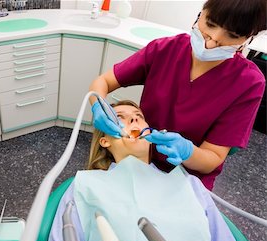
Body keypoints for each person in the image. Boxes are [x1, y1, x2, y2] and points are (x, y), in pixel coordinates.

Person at [49, 100, 258, 241]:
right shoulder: (84, 185)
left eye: (139, 117)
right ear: (105, 141)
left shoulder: (190, 187)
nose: (133, 119)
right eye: (119, 118)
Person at [89, 0, 266, 190]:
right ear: (201, 13)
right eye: (211, 24)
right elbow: (103, 82)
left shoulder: (248, 83)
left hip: (186, 181)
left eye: (232, 35)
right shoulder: (164, 50)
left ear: (249, 38)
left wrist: (188, 152)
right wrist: (98, 105)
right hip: (140, 162)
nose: (212, 40)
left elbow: (212, 158)